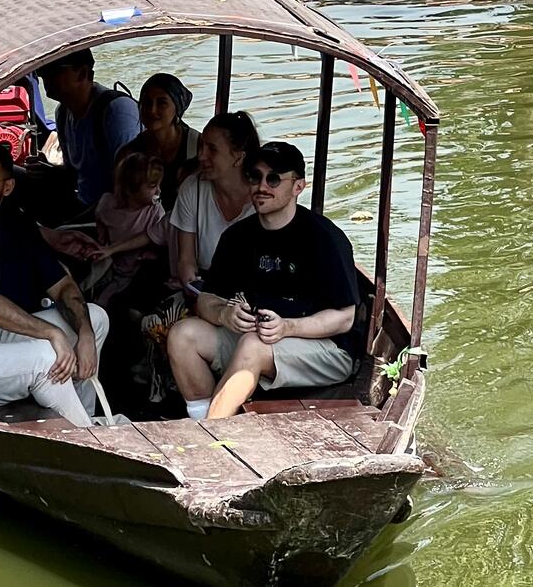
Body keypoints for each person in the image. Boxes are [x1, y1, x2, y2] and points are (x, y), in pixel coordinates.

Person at [166, 140, 360, 420]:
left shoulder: (325, 238)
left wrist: (287, 327)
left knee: (253, 345)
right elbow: (206, 300)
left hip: (327, 349)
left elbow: (345, 318)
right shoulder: (237, 237)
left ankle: (208, 433)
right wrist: (224, 314)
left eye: (273, 179)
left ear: (298, 186)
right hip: (255, 338)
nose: (262, 186)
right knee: (182, 335)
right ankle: (206, 417)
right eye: (255, 177)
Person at [0, 142, 108, 425]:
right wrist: (51, 333)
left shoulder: (14, 223)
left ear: (7, 187)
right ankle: (87, 435)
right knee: (45, 355)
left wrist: (84, 333)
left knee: (95, 318)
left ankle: (85, 415)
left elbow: (62, 285)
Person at [38, 48, 141, 215]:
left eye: (52, 70)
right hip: (83, 203)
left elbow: (130, 185)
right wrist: (48, 171)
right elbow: (74, 174)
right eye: (41, 71)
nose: (43, 76)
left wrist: (76, 222)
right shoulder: (63, 113)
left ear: (83, 74)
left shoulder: (116, 111)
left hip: (116, 213)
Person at [169, 110, 261, 293]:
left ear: (238, 157)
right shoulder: (192, 188)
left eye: (212, 149)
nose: (201, 156)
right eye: (201, 146)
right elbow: (186, 260)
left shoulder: (262, 198)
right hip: (206, 289)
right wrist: (195, 291)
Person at [93, 150, 168, 303]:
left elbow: (156, 239)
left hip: (136, 276)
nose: (159, 191)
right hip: (109, 267)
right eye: (152, 186)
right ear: (130, 190)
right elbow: (99, 217)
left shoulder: (156, 212)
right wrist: (102, 237)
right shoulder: (108, 204)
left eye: (159, 185)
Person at [117, 72, 200, 210]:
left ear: (177, 108)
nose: (152, 110)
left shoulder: (199, 147)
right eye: (147, 102)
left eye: (162, 103)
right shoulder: (128, 154)